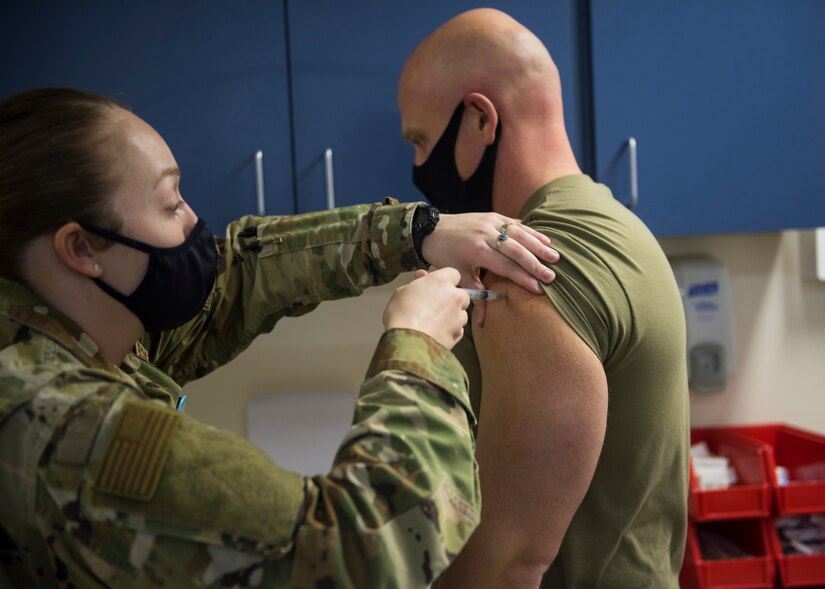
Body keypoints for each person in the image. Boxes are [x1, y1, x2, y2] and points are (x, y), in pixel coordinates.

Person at [0, 88, 560, 588]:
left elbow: (238, 275)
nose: (195, 223)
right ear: (80, 250)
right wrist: (418, 347)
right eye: (170, 205)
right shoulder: (67, 427)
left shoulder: (55, 329)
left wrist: (415, 234)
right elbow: (364, 551)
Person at [398, 9, 689, 588]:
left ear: (480, 118)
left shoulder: (534, 262)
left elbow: (507, 562)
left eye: (422, 140)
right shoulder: (611, 221)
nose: (416, 167)